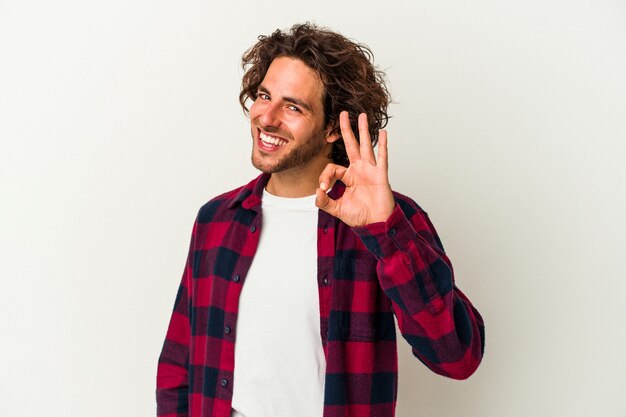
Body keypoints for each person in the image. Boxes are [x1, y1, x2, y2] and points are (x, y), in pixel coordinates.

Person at [156, 22, 485, 417]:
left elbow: (457, 357)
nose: (268, 117)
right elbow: (179, 363)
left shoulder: (388, 222)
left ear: (333, 127)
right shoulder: (217, 221)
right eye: (264, 96)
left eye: (293, 106)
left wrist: (386, 231)